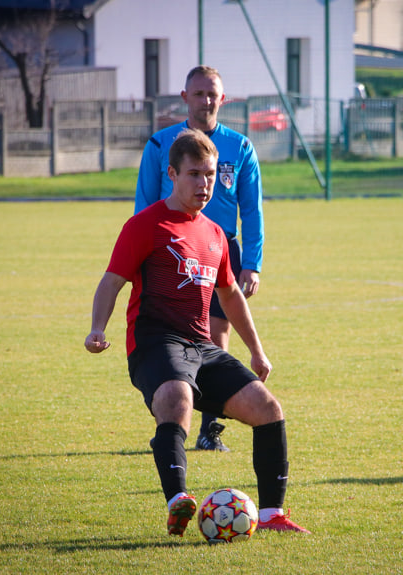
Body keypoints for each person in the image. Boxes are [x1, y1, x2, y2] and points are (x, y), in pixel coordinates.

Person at [86, 129, 307, 536]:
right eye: (194, 174)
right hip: (155, 343)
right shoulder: (144, 226)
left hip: (201, 346)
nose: (203, 184)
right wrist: (97, 329)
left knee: (268, 409)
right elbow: (111, 282)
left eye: (209, 175)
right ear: (171, 173)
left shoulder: (215, 234)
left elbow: (232, 295)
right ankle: (178, 501)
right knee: (176, 397)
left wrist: (257, 352)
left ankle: (273, 514)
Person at [136, 65, 265, 452]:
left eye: (213, 95)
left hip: (221, 248)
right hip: (170, 250)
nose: (206, 101)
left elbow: (252, 209)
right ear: (185, 98)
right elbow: (144, 204)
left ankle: (210, 432)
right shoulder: (160, 145)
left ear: (222, 99)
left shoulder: (240, 147)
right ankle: (170, 424)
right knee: (169, 338)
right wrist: (143, 254)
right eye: (199, 94)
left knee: (215, 339)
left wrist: (252, 263)